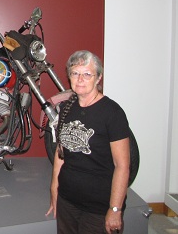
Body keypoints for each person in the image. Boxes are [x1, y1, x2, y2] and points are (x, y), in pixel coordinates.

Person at [46, 50, 130, 234]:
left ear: (98, 78)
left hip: (98, 208)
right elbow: (61, 154)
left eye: (87, 74)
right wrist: (54, 188)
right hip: (68, 201)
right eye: (75, 73)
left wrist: (115, 209)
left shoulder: (112, 113)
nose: (80, 79)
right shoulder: (66, 108)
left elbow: (122, 166)